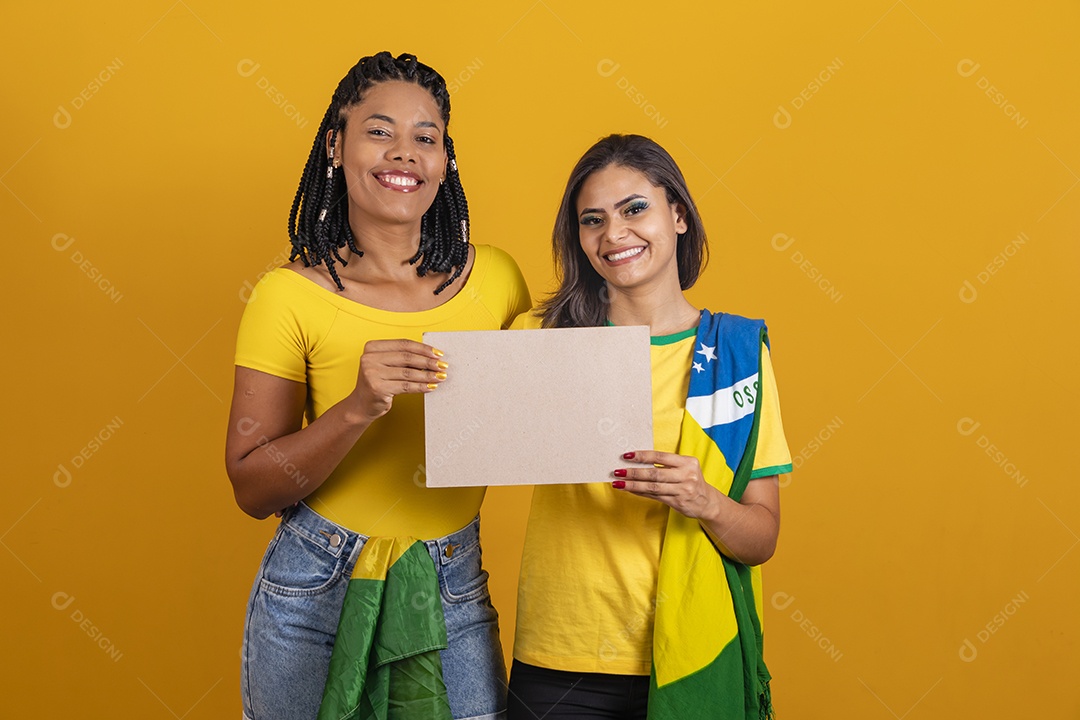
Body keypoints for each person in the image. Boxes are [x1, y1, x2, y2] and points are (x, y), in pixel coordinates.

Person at [225, 51, 530, 720]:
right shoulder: (288, 297)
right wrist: (357, 409)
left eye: (427, 137)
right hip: (314, 587)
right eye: (380, 131)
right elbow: (252, 486)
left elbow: (538, 427)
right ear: (336, 144)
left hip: (451, 582)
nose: (406, 153)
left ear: (446, 160)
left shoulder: (499, 282)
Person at [507, 134, 792, 720]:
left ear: (678, 215)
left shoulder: (735, 354)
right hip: (561, 653)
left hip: (689, 651)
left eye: (635, 208)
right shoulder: (539, 342)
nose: (614, 235)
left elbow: (761, 538)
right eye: (593, 220)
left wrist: (704, 500)